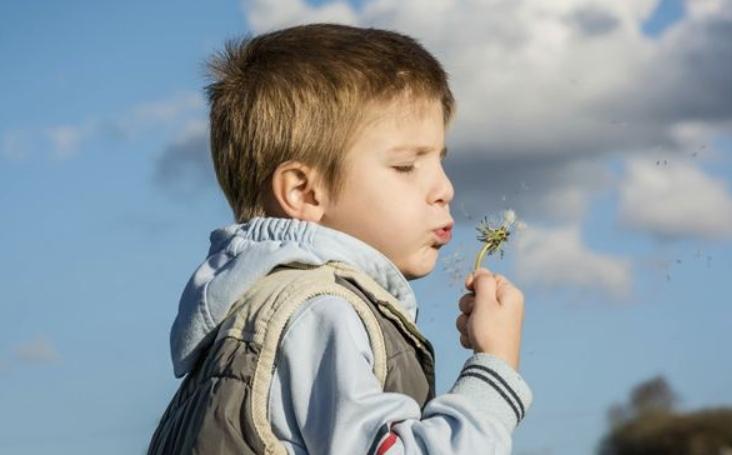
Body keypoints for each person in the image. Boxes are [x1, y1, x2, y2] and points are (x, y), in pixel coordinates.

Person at [147, 22, 532, 454]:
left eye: (439, 160)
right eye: (406, 166)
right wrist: (493, 368)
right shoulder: (319, 312)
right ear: (304, 192)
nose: (445, 188)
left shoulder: (252, 317)